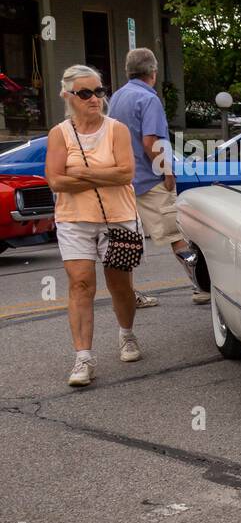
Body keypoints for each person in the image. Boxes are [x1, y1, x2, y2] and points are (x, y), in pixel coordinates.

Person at [45, 65, 141, 387]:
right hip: (74, 220)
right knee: (81, 284)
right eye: (85, 93)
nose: (94, 98)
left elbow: (125, 173)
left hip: (118, 218)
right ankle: (83, 358)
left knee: (120, 286)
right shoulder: (60, 134)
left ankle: (126, 334)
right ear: (68, 96)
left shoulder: (117, 130)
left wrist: (81, 174)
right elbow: (56, 181)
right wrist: (102, 174)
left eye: (99, 91)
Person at [106, 47, 208, 308]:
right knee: (177, 235)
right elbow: (150, 140)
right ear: (153, 72)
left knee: (125, 241)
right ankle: (200, 286)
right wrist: (167, 171)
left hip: (124, 181)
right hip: (150, 180)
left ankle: (129, 296)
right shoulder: (148, 99)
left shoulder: (116, 97)